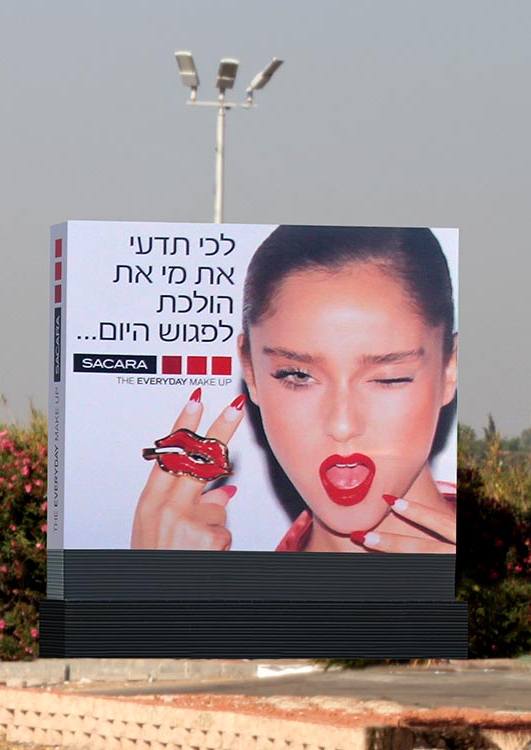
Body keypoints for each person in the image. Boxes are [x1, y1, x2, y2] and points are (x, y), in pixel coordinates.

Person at [132, 225, 457, 553]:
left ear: (450, 371)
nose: (342, 425)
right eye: (298, 376)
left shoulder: (503, 572)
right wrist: (159, 591)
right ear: (251, 373)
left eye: (389, 378)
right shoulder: (224, 596)